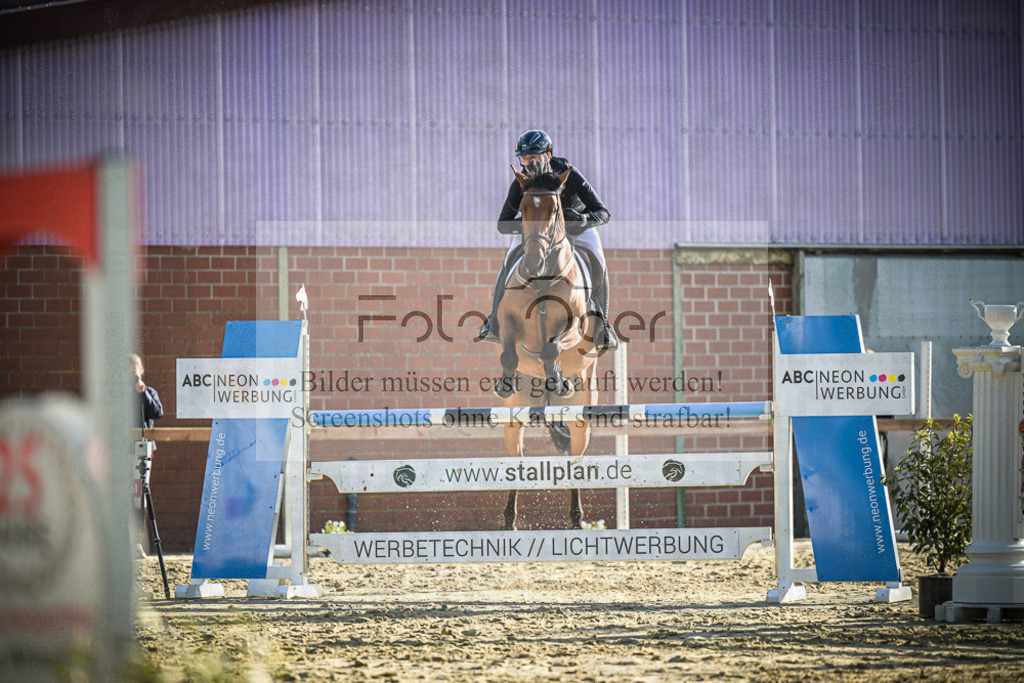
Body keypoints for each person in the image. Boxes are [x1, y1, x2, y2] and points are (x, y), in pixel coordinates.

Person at [477, 129, 618, 352]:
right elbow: (503, 223)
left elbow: (603, 213)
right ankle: (493, 321)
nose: (529, 163)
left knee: (599, 262)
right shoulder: (521, 183)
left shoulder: (569, 173)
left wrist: (581, 218)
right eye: (524, 158)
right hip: (538, 235)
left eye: (534, 157)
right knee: (508, 262)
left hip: (577, 229)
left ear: (548, 156)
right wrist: (533, 225)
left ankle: (605, 326)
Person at [132, 353, 163, 430]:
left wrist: (143, 393)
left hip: (145, 439)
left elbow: (157, 413)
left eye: (134, 373)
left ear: (140, 372)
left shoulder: (149, 392)